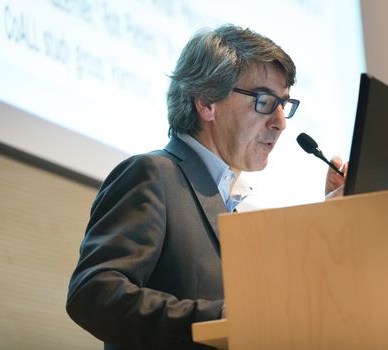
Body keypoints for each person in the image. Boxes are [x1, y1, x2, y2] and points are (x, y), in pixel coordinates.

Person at [66, 25, 346, 350]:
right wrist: (221, 319)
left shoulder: (230, 204)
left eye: (284, 104)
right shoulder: (153, 175)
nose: (281, 122)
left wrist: (337, 217)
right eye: (266, 100)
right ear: (207, 103)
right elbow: (92, 293)